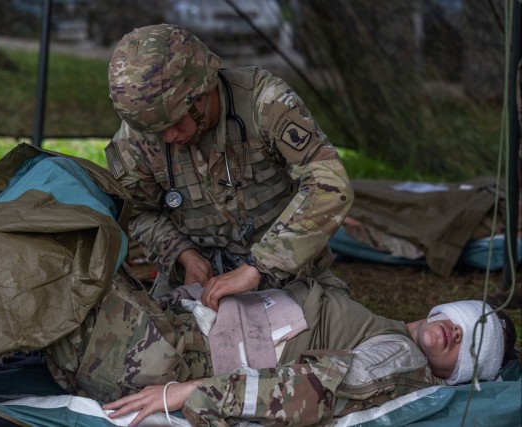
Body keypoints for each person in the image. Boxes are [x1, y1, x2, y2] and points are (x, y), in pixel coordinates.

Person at [44, 264, 518, 426]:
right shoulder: (375, 320)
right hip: (168, 323)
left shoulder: (403, 357)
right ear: (446, 308)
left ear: (454, 375)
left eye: (474, 349)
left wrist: (188, 393)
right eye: (467, 322)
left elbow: (311, 389)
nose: (459, 334)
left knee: (51, 261)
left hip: (159, 355)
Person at [105, 24, 354, 309]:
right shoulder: (136, 138)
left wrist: (259, 267)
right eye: (156, 132)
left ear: (202, 89)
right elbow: (137, 213)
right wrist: (183, 254)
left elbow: (330, 185)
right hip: (196, 280)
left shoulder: (264, 102)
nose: (168, 138)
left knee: (321, 339)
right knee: (157, 346)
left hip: (289, 272)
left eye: (174, 124)